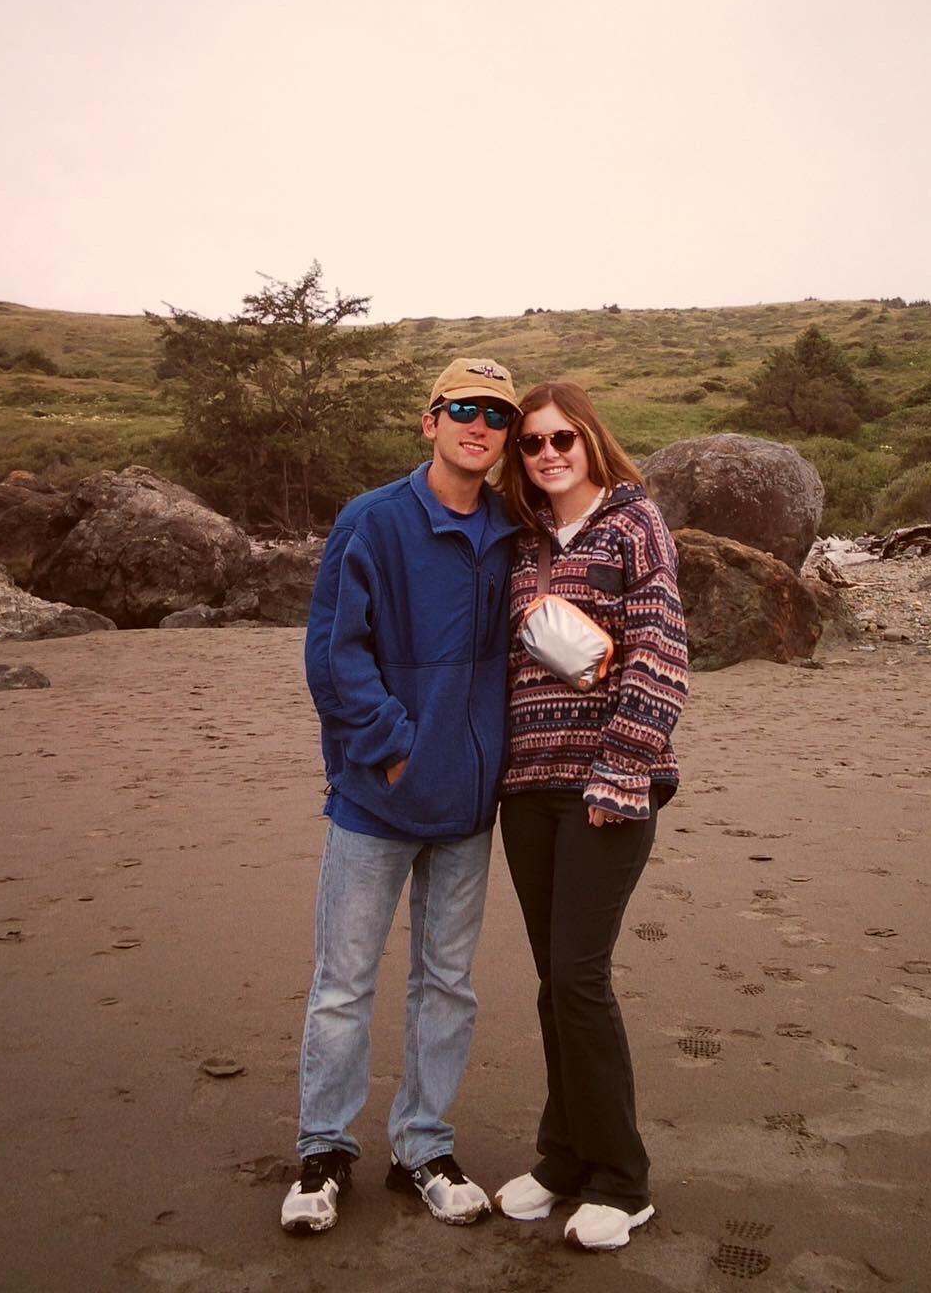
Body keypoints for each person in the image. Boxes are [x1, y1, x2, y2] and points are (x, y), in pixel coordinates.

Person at [281, 357, 521, 1237]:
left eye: (497, 416)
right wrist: (391, 751)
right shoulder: (373, 521)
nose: (479, 426)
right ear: (430, 421)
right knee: (343, 984)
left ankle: (422, 1146)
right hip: (375, 802)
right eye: (463, 408)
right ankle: (322, 1151)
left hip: (468, 806)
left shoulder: (509, 531)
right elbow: (332, 655)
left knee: (447, 983)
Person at [492, 380, 688, 1252]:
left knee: (579, 976)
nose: (548, 454)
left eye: (562, 438)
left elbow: (659, 649)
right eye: (531, 444)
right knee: (552, 981)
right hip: (527, 787)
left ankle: (622, 1177)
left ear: (592, 440)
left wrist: (622, 767)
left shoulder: (634, 523)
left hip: (608, 786)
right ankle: (563, 1155)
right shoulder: (518, 542)